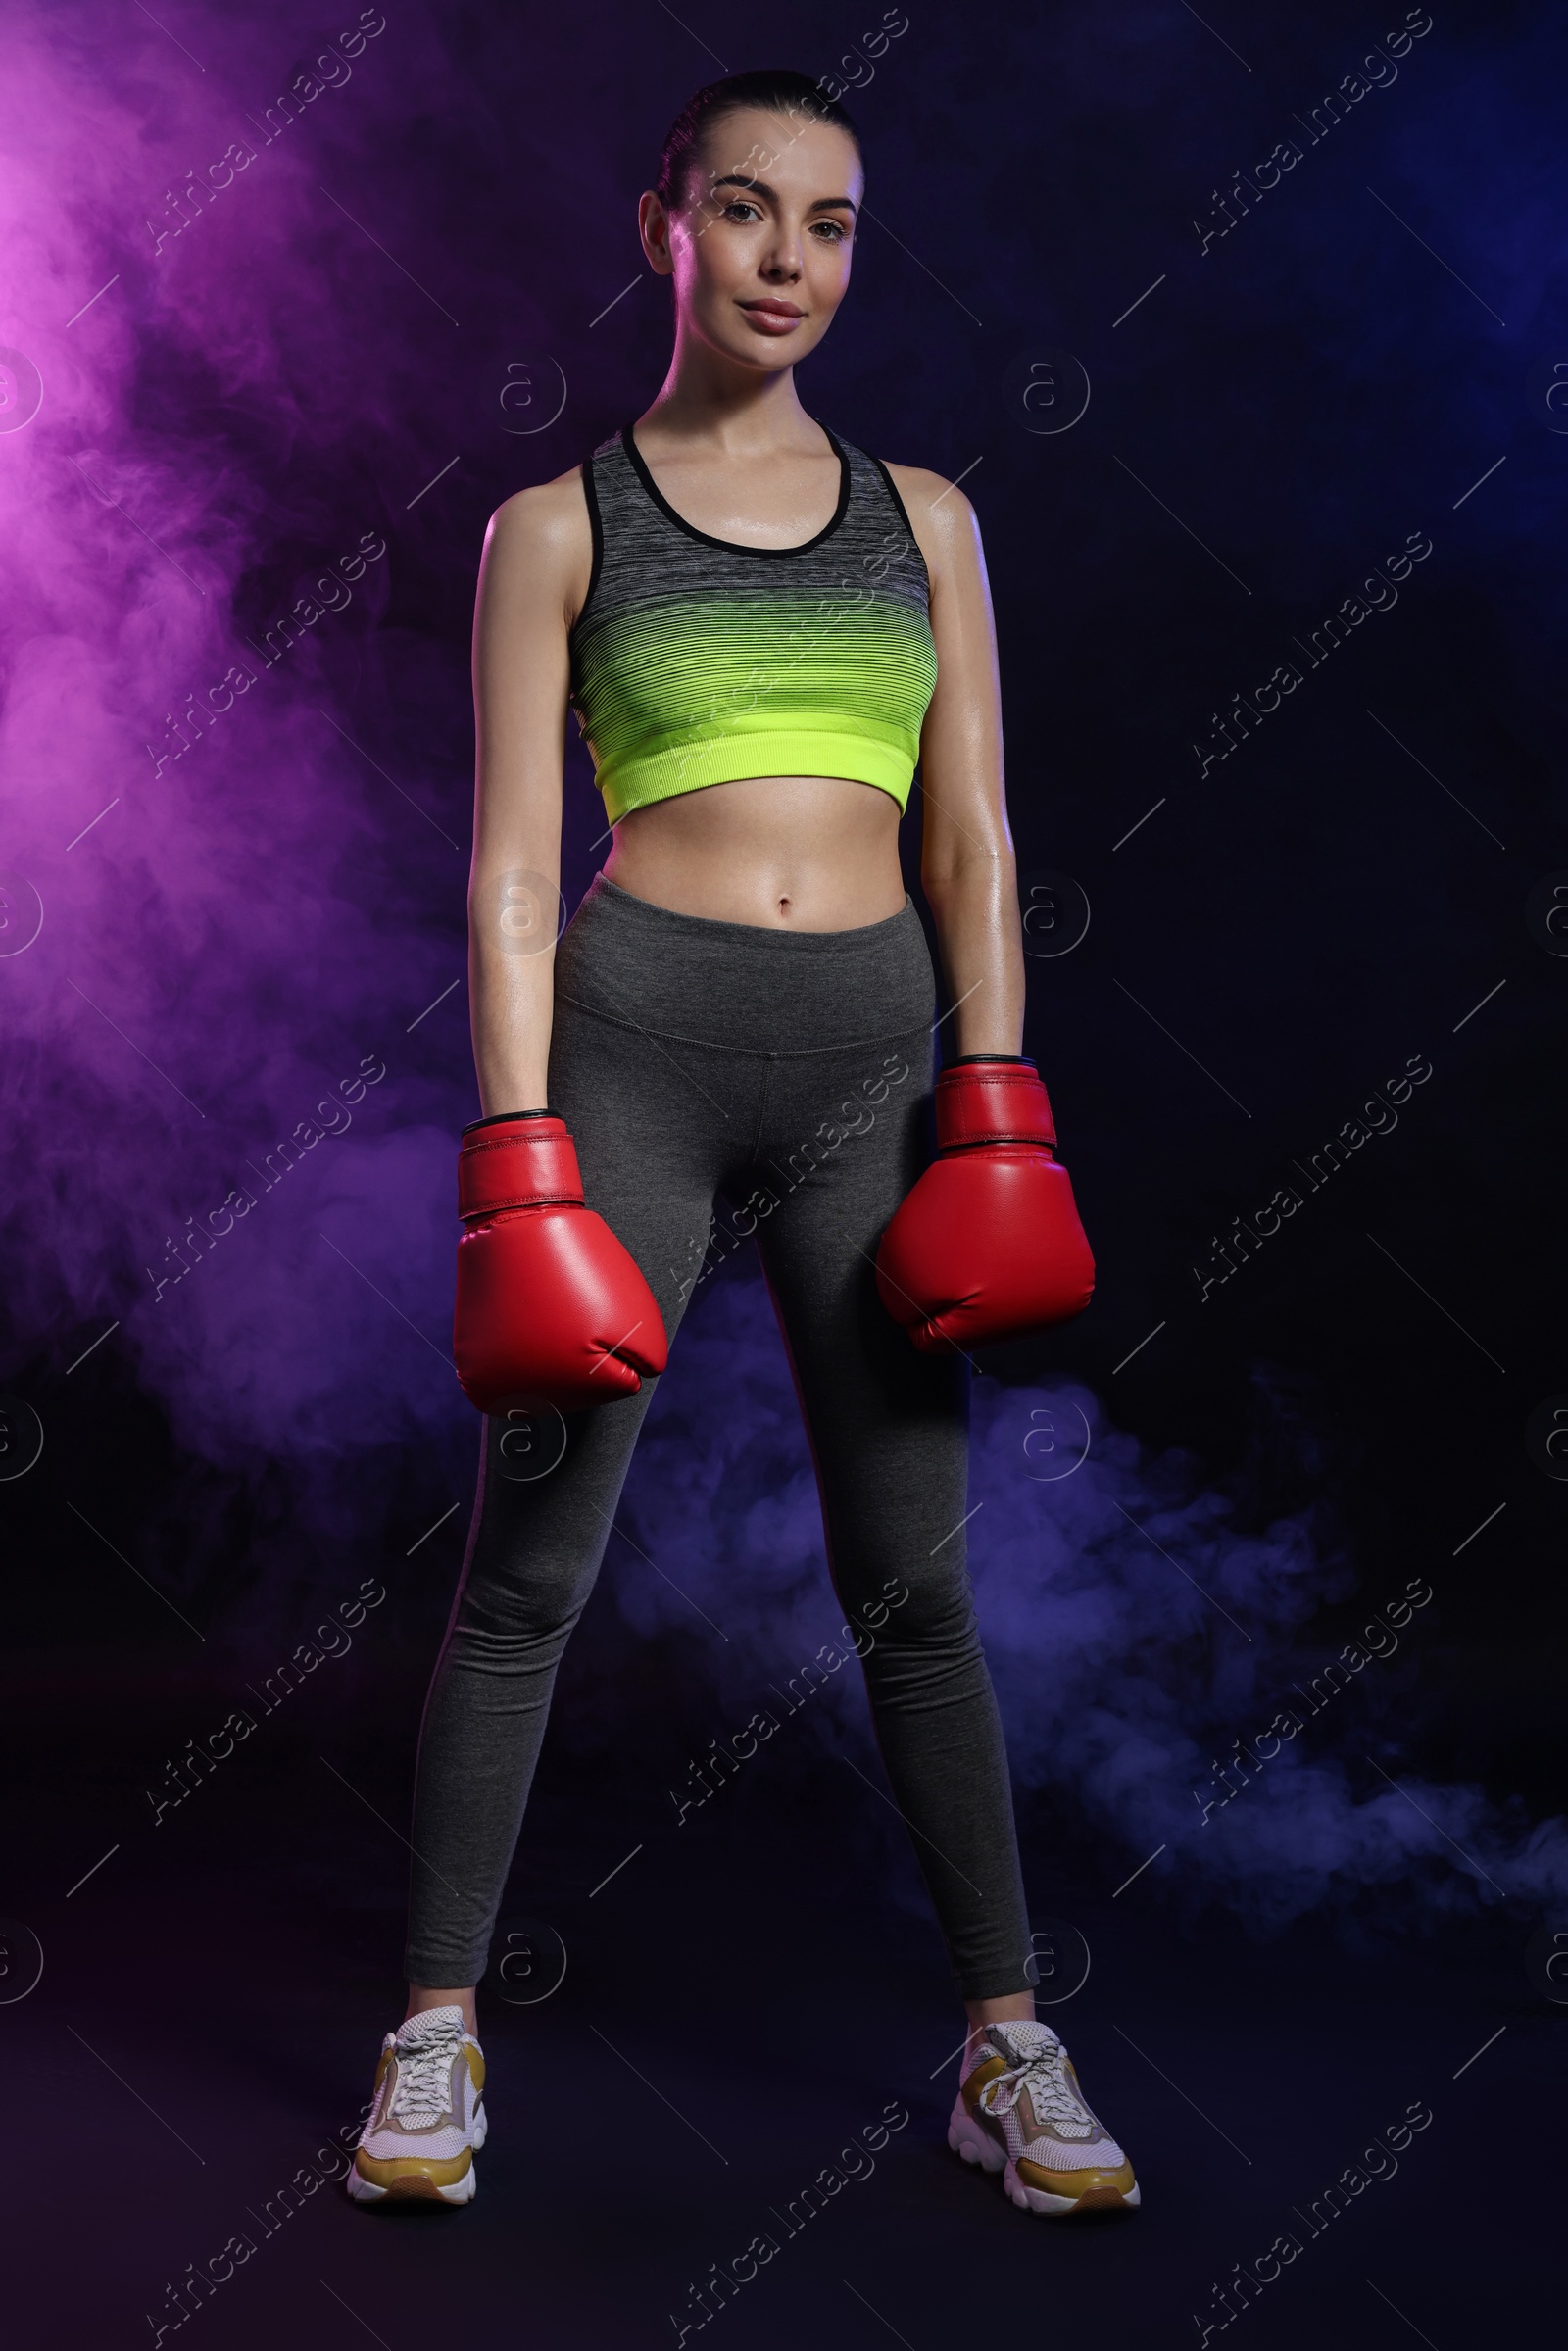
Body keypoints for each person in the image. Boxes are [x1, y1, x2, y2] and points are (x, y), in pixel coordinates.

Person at [348, 67, 1136, 2220]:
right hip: (636, 1047)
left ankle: (1005, 2045)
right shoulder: (558, 526)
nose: (789, 257)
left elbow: (974, 839)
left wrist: (994, 1096)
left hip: (881, 1061)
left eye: (831, 222)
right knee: (526, 1579)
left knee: (912, 1579)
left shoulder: (933, 517)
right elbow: (512, 870)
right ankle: (432, 2039)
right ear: (659, 230)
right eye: (745, 210)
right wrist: (515, 1158)